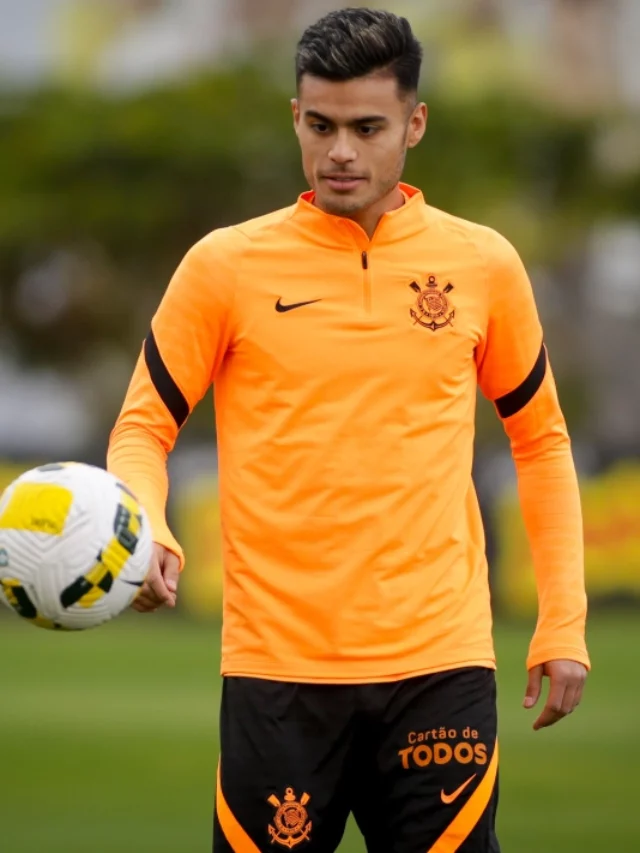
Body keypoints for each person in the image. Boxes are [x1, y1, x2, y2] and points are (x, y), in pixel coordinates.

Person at [107, 8, 590, 852]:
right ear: (295, 117)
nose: (341, 151)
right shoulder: (224, 266)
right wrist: (149, 525)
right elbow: (143, 425)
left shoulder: (482, 264)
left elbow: (541, 441)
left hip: (441, 661)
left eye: (367, 128)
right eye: (320, 125)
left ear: (415, 124)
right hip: (277, 673)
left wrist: (563, 622)